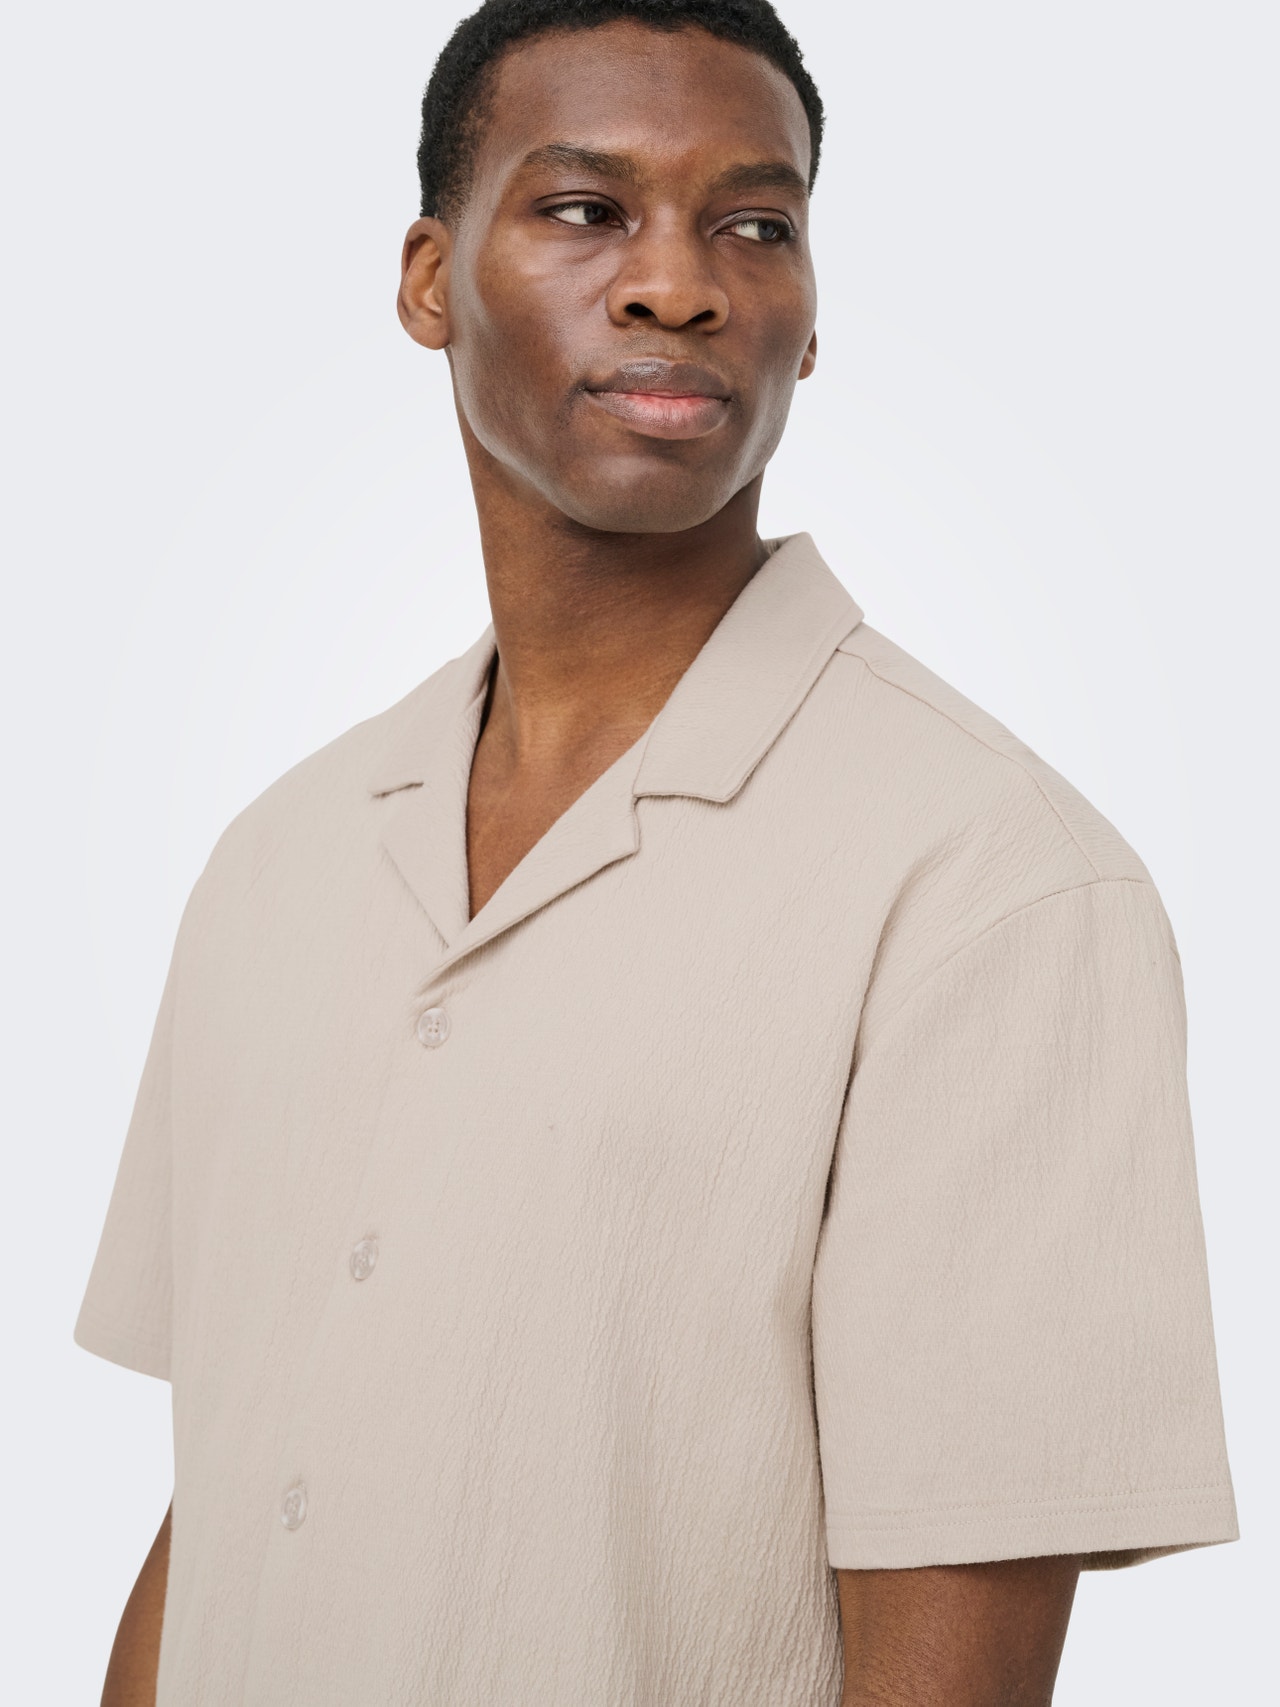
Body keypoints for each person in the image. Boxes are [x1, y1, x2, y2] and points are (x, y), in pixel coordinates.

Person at [74, 2, 1237, 1703]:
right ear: (428, 279)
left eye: (754, 226)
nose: (679, 285)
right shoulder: (278, 861)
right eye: (585, 209)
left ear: (810, 320)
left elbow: (955, 1656)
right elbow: (226, 1502)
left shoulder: (993, 887)